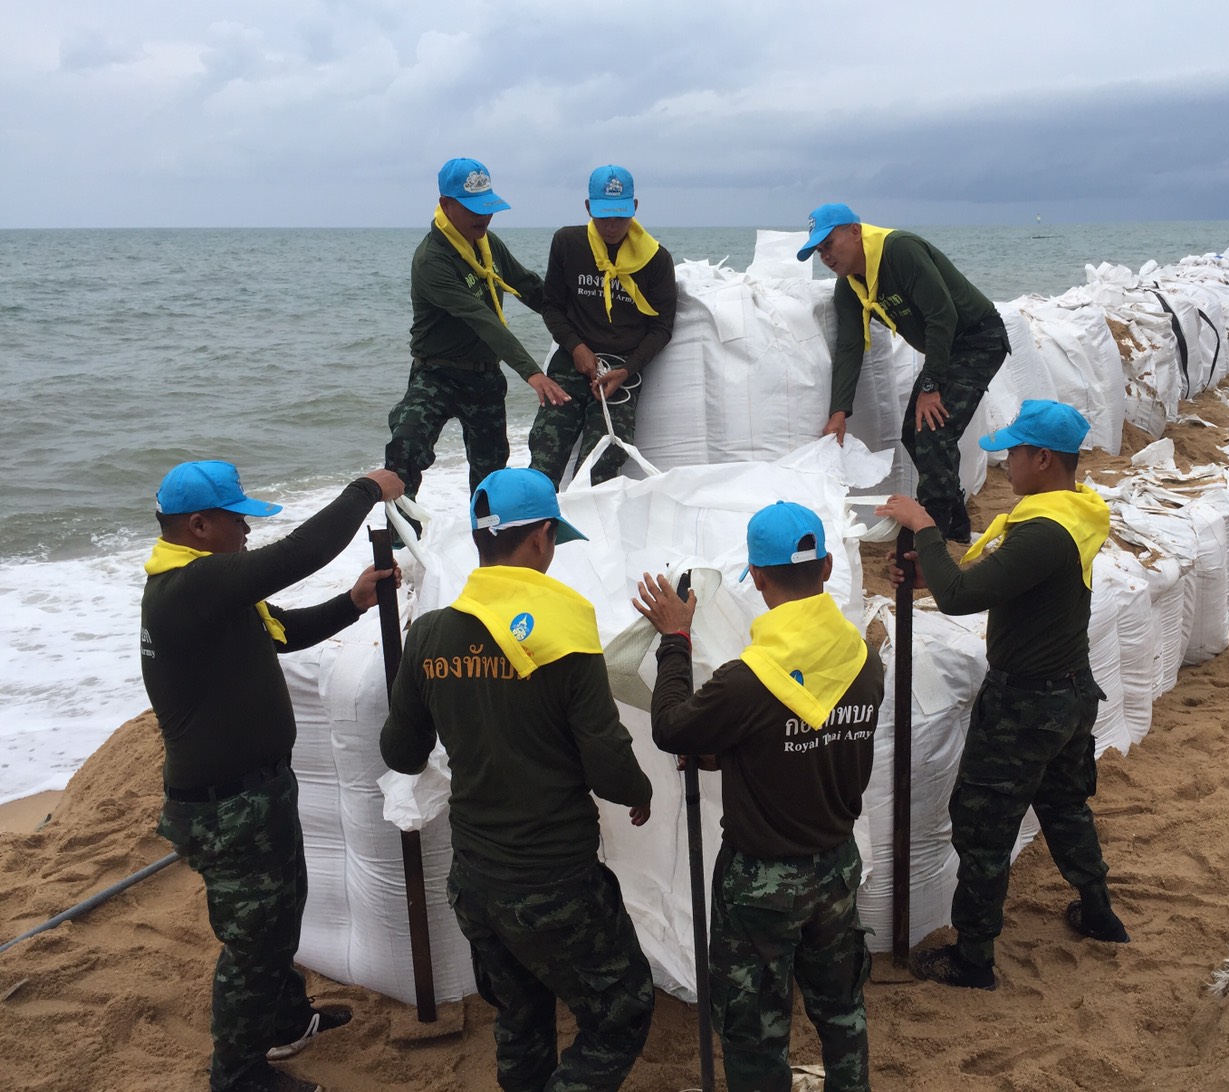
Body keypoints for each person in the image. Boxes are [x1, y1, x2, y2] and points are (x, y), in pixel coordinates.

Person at [379, 468, 654, 1091]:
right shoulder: (567, 628)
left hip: (476, 878)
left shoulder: (429, 633)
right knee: (622, 1012)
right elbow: (607, 761)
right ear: (539, 538)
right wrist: (638, 790)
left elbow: (401, 753)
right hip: (554, 879)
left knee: (521, 1013)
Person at [141, 459, 405, 1092]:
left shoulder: (211, 593)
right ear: (199, 526)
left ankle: (286, 1019)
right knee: (254, 943)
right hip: (225, 806)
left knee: (281, 917)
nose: (247, 532)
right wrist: (367, 490)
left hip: (258, 792)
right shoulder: (187, 587)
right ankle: (235, 1075)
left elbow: (281, 632)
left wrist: (353, 603)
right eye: (237, 521)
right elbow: (298, 554)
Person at [875, 399, 1130, 991]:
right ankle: (1098, 912)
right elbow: (995, 582)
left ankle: (973, 959)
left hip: (1026, 705)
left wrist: (925, 528)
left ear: (1042, 459)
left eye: (1013, 452)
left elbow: (961, 598)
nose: (1005, 462)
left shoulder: (1043, 532)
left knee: (983, 828)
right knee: (1065, 805)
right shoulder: (1072, 513)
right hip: (1069, 692)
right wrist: (934, 571)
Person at [633, 501, 884, 1091]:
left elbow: (671, 727)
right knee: (841, 1010)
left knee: (753, 1031)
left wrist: (676, 640)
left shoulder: (746, 681)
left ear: (760, 578)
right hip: (837, 868)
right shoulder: (864, 662)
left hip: (760, 885)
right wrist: (735, 752)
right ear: (826, 568)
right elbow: (809, 740)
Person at [798, 203, 1013, 543]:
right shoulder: (850, 286)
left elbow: (942, 315)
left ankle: (931, 537)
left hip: (978, 339)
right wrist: (839, 412)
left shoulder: (899, 250)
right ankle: (955, 529)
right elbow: (850, 348)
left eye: (829, 244)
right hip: (947, 349)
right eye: (818, 251)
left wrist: (930, 386)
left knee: (932, 433)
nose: (825, 256)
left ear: (855, 231)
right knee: (915, 433)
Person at [385, 157, 571, 502]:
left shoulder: (488, 243)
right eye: (473, 209)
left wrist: (578, 329)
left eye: (488, 207)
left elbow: (529, 287)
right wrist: (532, 373)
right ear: (446, 204)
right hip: (435, 375)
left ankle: (488, 528)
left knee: (491, 474)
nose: (483, 217)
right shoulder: (432, 260)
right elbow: (481, 318)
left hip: (484, 377)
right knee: (405, 447)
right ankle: (400, 532)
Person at [529, 164, 678, 486]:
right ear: (588, 207)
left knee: (602, 461)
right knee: (544, 454)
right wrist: (576, 347)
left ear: (634, 207)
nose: (611, 226)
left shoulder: (656, 259)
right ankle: (537, 514)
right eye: (603, 216)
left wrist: (627, 370)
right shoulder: (568, 243)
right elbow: (551, 306)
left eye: (620, 217)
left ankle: (590, 517)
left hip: (621, 370)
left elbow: (661, 328)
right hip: (572, 362)